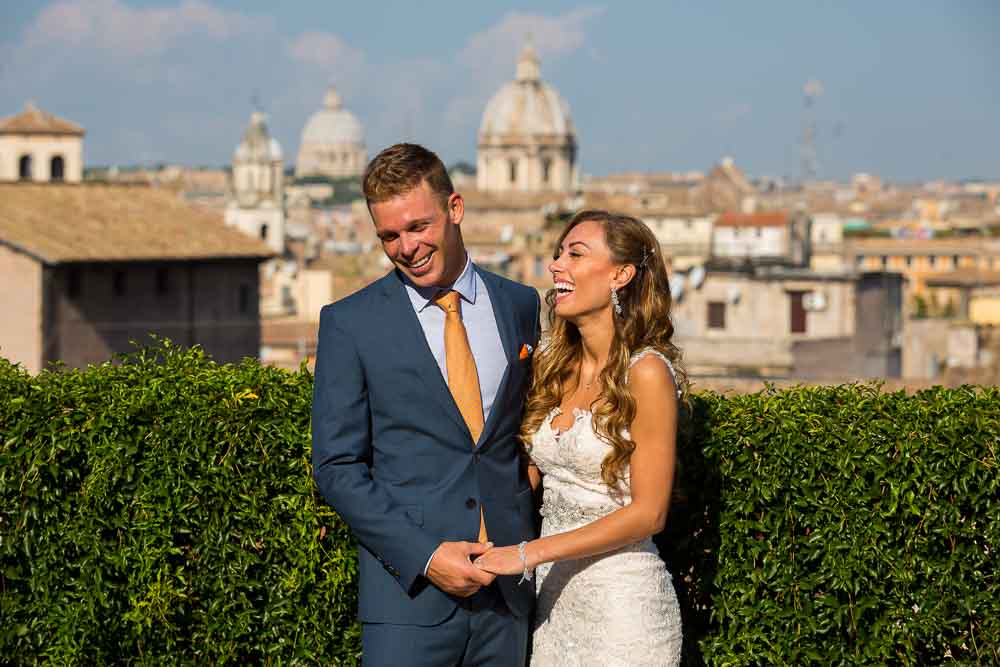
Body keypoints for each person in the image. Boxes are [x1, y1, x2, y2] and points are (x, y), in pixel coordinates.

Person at [311, 143, 541, 666]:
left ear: (455, 209)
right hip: (408, 600)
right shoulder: (350, 323)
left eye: (418, 227)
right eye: (389, 236)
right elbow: (337, 467)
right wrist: (428, 557)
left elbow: (518, 435)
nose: (406, 247)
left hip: (508, 596)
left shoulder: (520, 304)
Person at [474, 210, 684, 666]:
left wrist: (527, 555)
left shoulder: (646, 373)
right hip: (554, 608)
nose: (556, 266)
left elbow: (650, 513)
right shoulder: (553, 367)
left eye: (575, 254)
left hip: (625, 611)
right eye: (557, 254)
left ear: (620, 275)